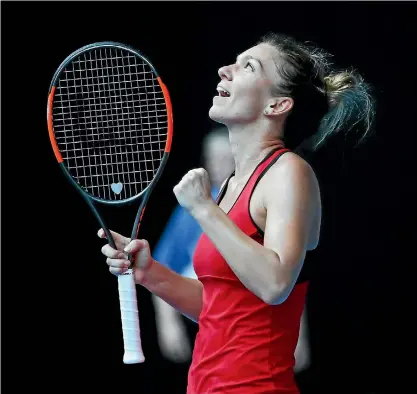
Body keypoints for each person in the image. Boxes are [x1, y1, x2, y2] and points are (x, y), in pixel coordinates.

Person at [99, 32, 375, 393]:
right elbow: (221, 311)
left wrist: (203, 209)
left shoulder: (289, 172)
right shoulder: (231, 186)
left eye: (248, 66)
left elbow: (275, 284)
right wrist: (151, 273)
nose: (224, 70)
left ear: (277, 105)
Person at [151, 126, 235, 363]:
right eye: (212, 159)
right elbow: (164, 268)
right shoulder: (189, 211)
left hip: (246, 328)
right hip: (200, 328)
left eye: (226, 158)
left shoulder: (255, 205)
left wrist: (299, 335)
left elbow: (285, 277)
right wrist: (167, 323)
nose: (218, 166)